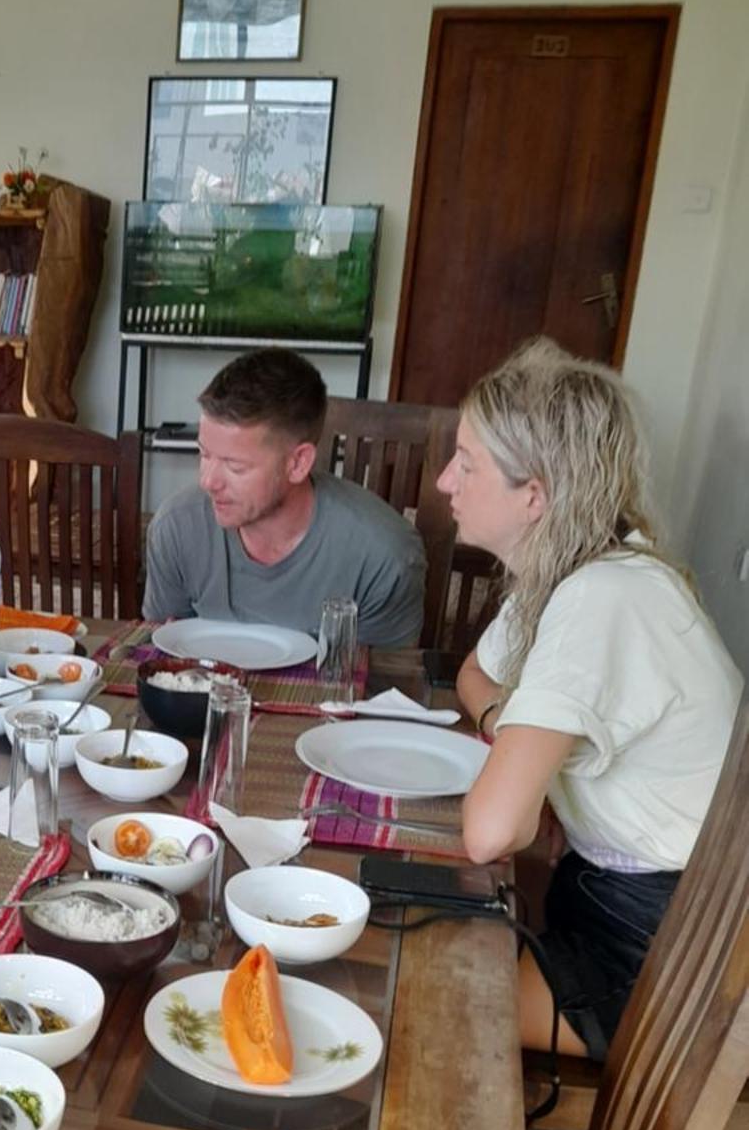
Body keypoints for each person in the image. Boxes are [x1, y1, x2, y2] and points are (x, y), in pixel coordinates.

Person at [441, 338, 742, 1061]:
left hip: (677, 947)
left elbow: (489, 830)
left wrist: (525, 774)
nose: (445, 481)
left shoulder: (601, 597)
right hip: (612, 894)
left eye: (468, 463)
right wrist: (520, 744)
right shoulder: (579, 562)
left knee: (438, 1001)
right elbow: (473, 678)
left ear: (534, 495)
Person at [142, 347, 426, 645]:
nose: (208, 481)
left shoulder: (384, 556)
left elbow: (384, 685)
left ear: (298, 463)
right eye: (204, 454)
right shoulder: (177, 527)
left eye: (234, 466)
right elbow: (161, 658)